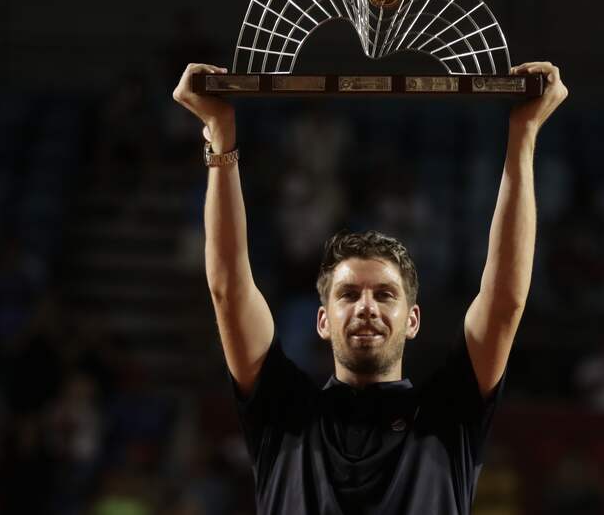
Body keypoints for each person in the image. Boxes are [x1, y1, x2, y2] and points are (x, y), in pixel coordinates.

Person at [171, 62, 569, 515]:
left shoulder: (447, 415)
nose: (366, 306)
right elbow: (228, 287)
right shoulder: (284, 411)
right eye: (348, 294)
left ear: (413, 318)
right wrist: (220, 136)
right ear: (322, 320)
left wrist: (524, 134)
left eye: (384, 294)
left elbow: (504, 301)